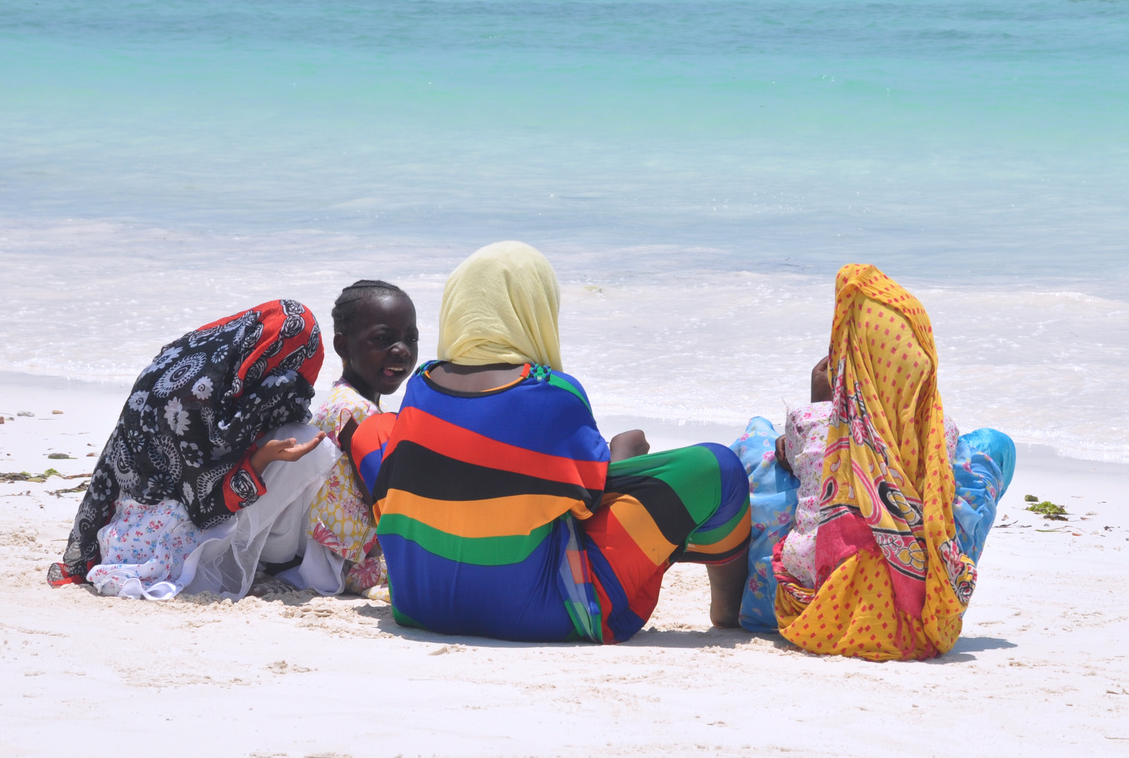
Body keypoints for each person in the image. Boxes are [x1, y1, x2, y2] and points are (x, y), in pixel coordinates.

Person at [348, 241, 751, 643]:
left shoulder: (422, 387)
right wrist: (624, 452)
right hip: (544, 613)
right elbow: (591, 501)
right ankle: (727, 612)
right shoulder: (552, 393)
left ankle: (418, 557)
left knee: (375, 431)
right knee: (719, 467)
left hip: (419, 604)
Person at [730, 264, 1016, 660]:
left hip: (809, 600)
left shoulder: (809, 420)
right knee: (988, 450)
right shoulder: (940, 432)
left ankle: (747, 592)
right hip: (914, 606)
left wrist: (822, 404)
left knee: (758, 438)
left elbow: (807, 454)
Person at [48, 300, 333, 595]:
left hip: (122, 529)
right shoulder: (195, 401)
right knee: (306, 441)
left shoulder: (191, 363)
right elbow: (204, 509)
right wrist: (261, 459)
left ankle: (272, 555)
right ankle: (277, 559)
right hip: (163, 550)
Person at [302, 279, 420, 596]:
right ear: (343, 346)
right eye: (383, 339)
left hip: (331, 551)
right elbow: (382, 500)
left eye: (411, 338)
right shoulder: (355, 413)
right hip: (346, 563)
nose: (402, 349)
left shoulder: (344, 400)